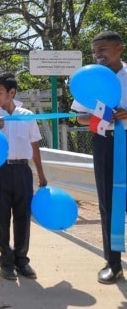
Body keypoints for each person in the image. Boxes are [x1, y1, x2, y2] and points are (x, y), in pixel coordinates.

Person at [72, 31, 127, 284]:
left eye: (103, 49)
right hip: (105, 144)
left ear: (119, 49)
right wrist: (101, 116)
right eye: (94, 52)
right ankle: (113, 263)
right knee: (108, 203)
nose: (98, 55)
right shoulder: (91, 78)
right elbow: (79, 118)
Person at [0, 73, 48, 280]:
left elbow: (34, 146)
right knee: (1, 217)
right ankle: (6, 260)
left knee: (23, 216)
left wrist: (40, 174)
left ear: (12, 93)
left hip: (22, 171)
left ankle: (21, 260)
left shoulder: (27, 115)